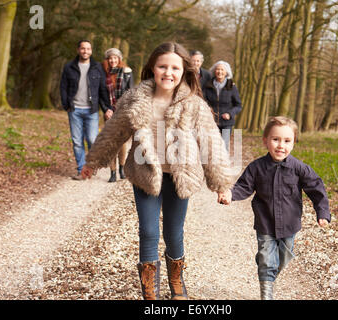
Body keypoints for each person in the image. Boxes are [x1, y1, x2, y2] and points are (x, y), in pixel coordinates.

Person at [80, 42, 234, 300]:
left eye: (175, 68)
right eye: (163, 66)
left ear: (184, 71)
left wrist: (221, 185)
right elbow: (114, 132)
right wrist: (93, 162)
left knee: (174, 233)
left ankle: (177, 281)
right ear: (153, 67)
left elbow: (211, 144)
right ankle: (149, 292)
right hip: (145, 175)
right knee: (148, 231)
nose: (168, 72)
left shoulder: (193, 104)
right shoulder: (135, 99)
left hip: (179, 176)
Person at [218, 116, 331, 300]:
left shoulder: (299, 168)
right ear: (265, 141)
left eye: (287, 141)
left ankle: (266, 266)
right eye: (275, 139)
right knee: (267, 259)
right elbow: (244, 186)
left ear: (293, 143)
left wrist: (323, 212)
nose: (281, 145)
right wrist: (230, 195)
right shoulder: (257, 167)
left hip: (290, 224)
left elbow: (316, 188)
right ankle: (266, 292)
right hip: (265, 223)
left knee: (283, 258)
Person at [60, 40, 113, 180]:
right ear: (78, 50)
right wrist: (66, 104)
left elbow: (102, 89)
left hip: (92, 110)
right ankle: (81, 170)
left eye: (88, 49)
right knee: (77, 141)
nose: (85, 51)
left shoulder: (97, 67)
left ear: (91, 51)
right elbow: (63, 87)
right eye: (83, 49)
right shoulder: (69, 67)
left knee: (92, 139)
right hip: (74, 109)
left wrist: (107, 107)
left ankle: (92, 166)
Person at [102, 48, 134, 182]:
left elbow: (130, 92)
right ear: (107, 60)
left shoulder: (127, 72)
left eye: (115, 58)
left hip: (122, 110)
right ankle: (112, 172)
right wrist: (105, 109)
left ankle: (121, 167)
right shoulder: (103, 73)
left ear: (119, 59)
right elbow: (101, 94)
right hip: (109, 112)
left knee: (122, 143)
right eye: (110, 58)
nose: (112, 60)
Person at [202, 60, 242, 151]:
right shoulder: (208, 85)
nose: (219, 72)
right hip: (211, 122)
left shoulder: (231, 86)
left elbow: (238, 105)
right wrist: (208, 109)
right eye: (217, 69)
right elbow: (204, 101)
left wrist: (230, 113)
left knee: (224, 146)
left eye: (222, 70)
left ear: (226, 72)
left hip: (226, 123)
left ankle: (224, 164)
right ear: (214, 71)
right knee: (211, 146)